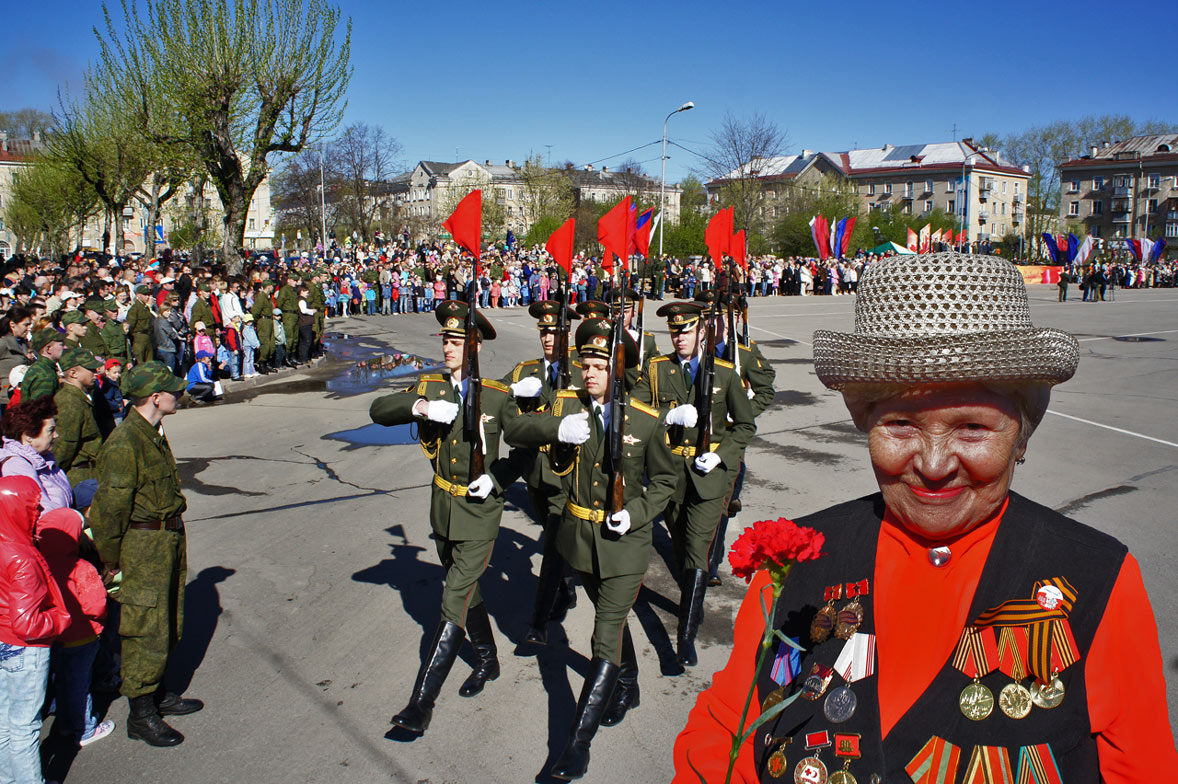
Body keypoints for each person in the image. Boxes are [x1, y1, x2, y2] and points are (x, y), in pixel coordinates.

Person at [672, 253, 1178, 783]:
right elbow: (726, 727)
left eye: (973, 429)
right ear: (864, 420)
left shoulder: (1098, 579)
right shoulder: (797, 557)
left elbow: (1140, 767)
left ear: (1023, 434)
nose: (933, 466)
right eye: (900, 424)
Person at [504, 319, 679, 781]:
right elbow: (514, 431)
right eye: (586, 363)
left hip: (624, 548)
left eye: (600, 364)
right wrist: (559, 429)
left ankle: (574, 748)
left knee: (603, 635)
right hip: (580, 545)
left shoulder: (644, 419)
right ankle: (628, 684)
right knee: (612, 620)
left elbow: (665, 481)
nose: (590, 372)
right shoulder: (566, 407)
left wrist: (637, 514)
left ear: (618, 368)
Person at [368, 301, 525, 736]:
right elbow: (379, 410)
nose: (449, 348)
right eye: (446, 340)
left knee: (452, 598)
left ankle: (421, 704)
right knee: (465, 588)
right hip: (443, 508)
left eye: (457, 341)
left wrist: (496, 479)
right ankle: (489, 661)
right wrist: (418, 408)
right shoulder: (431, 387)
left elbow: (526, 450)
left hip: (479, 513)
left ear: (473, 347)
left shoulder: (496, 395)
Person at [633, 301, 756, 667]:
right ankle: (692, 603)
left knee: (698, 549)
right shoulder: (656, 370)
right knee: (681, 542)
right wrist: (665, 414)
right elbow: (634, 410)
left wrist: (721, 455)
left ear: (702, 331)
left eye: (686, 330)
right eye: (674, 331)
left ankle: (685, 636)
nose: (679, 337)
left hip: (708, 477)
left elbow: (745, 425)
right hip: (668, 475)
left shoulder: (724, 373)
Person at [88, 361, 203, 747]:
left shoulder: (151, 432)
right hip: (142, 546)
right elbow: (108, 512)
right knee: (144, 627)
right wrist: (111, 560)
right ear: (155, 398)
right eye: (173, 391)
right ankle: (141, 713)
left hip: (166, 538)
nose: (179, 395)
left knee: (168, 617)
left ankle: (158, 692)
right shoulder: (125, 443)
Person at [500, 300, 583, 645]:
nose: (549, 338)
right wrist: (510, 391)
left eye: (555, 331)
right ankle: (564, 588)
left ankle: (538, 623)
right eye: (544, 332)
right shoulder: (525, 371)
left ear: (567, 332)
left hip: (567, 477)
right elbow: (495, 401)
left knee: (551, 545)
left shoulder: (583, 370)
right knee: (555, 545)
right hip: (535, 475)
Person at [0, 475, 70, 783]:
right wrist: (59, 619)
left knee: (5, 724)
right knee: (26, 728)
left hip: (4, 643)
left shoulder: (4, 544)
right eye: (33, 507)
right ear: (16, 509)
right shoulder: (23, 558)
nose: (39, 512)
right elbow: (27, 622)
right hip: (27, 650)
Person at [36, 506, 116, 747]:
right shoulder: (81, 568)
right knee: (80, 683)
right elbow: (96, 606)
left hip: (54, 636)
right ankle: (84, 729)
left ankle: (64, 723)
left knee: (61, 679)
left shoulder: (39, 565)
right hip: (83, 637)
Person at [0, 396, 73, 512]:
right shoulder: (17, 466)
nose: (56, 435)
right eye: (51, 430)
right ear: (28, 435)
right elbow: (41, 511)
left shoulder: (45, 460)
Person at [52, 348, 104, 487]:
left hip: (89, 472)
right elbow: (65, 445)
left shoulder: (79, 397)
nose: (96, 373)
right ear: (73, 373)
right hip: (80, 476)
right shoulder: (69, 401)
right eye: (90, 369)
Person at [19, 328, 65, 403]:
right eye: (61, 345)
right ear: (48, 349)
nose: (65, 347)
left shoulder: (40, 367)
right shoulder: (45, 375)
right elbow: (40, 409)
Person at [125, 285, 156, 366]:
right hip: (139, 337)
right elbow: (131, 325)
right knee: (140, 363)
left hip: (147, 336)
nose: (147, 297)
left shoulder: (145, 308)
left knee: (149, 362)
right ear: (138, 295)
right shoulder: (135, 309)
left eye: (148, 295)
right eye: (145, 295)